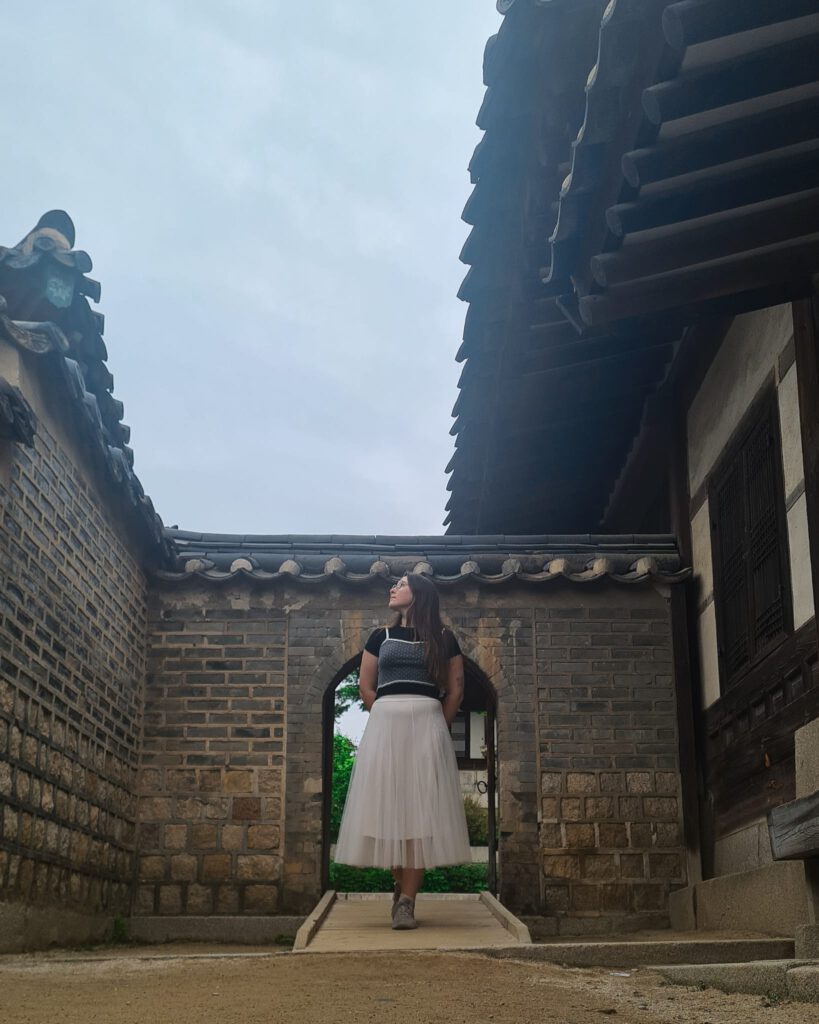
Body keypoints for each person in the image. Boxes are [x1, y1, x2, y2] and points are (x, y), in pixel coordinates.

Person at [333, 572, 472, 930]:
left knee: (419, 816)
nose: (393, 588)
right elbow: (366, 685)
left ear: (420, 593)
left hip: (428, 727)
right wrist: (383, 717)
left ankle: (407, 902)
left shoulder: (444, 638)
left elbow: (455, 691)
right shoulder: (381, 636)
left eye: (401, 584)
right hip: (386, 727)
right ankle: (400, 882)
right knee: (387, 814)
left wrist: (436, 726)